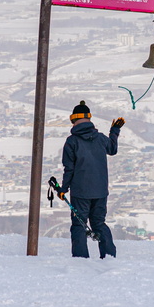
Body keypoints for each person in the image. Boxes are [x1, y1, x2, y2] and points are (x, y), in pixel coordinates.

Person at [58, 100, 122, 259]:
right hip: (100, 191)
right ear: (89, 119)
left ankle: (80, 258)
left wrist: (63, 189)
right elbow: (112, 149)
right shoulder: (100, 138)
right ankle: (109, 257)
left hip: (80, 192)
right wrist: (114, 131)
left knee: (79, 225)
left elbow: (69, 168)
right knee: (99, 223)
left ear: (73, 119)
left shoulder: (72, 141)